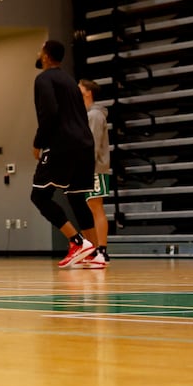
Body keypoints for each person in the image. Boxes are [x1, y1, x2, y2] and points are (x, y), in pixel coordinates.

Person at [29, 39, 97, 268]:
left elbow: (49, 112)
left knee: (39, 196)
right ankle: (95, 254)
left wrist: (38, 143)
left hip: (63, 144)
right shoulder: (70, 81)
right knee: (77, 197)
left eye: (40, 50)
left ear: (46, 56)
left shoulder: (43, 79)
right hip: (85, 144)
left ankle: (77, 241)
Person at [79, 80, 111, 268]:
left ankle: (102, 251)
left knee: (96, 207)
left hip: (95, 168)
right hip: (88, 169)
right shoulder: (88, 115)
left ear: (88, 92)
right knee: (90, 209)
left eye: (79, 88)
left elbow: (92, 145)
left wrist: (84, 167)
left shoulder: (95, 115)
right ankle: (93, 250)